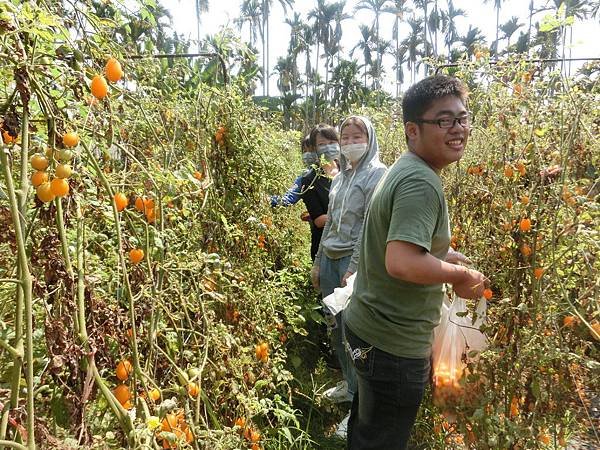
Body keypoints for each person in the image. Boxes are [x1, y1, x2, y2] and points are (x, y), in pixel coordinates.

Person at [343, 75, 489, 450]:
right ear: (412, 129)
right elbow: (402, 262)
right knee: (383, 440)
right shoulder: (420, 182)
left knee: (369, 431)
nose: (458, 129)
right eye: (444, 120)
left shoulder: (404, 168)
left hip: (370, 329)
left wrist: (438, 255)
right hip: (393, 345)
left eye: (462, 118)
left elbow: (399, 245)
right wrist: (461, 275)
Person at [311, 116, 387, 438]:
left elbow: (369, 225)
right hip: (329, 260)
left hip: (350, 265)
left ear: (369, 139)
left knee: (355, 336)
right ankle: (348, 384)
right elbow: (329, 225)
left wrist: (354, 268)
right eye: (346, 136)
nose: (350, 141)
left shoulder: (377, 174)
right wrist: (317, 263)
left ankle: (359, 406)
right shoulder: (341, 178)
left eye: (358, 136)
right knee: (336, 329)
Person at [299, 124, 340, 261]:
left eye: (332, 142)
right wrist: (348, 213)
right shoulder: (309, 179)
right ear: (314, 148)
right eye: (322, 144)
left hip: (352, 245)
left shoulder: (348, 169)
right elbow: (319, 220)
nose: (328, 147)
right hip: (326, 248)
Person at [269, 135, 313, 208]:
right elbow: (289, 198)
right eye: (305, 151)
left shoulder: (337, 171)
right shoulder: (304, 176)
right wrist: (268, 200)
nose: (308, 154)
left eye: (311, 150)